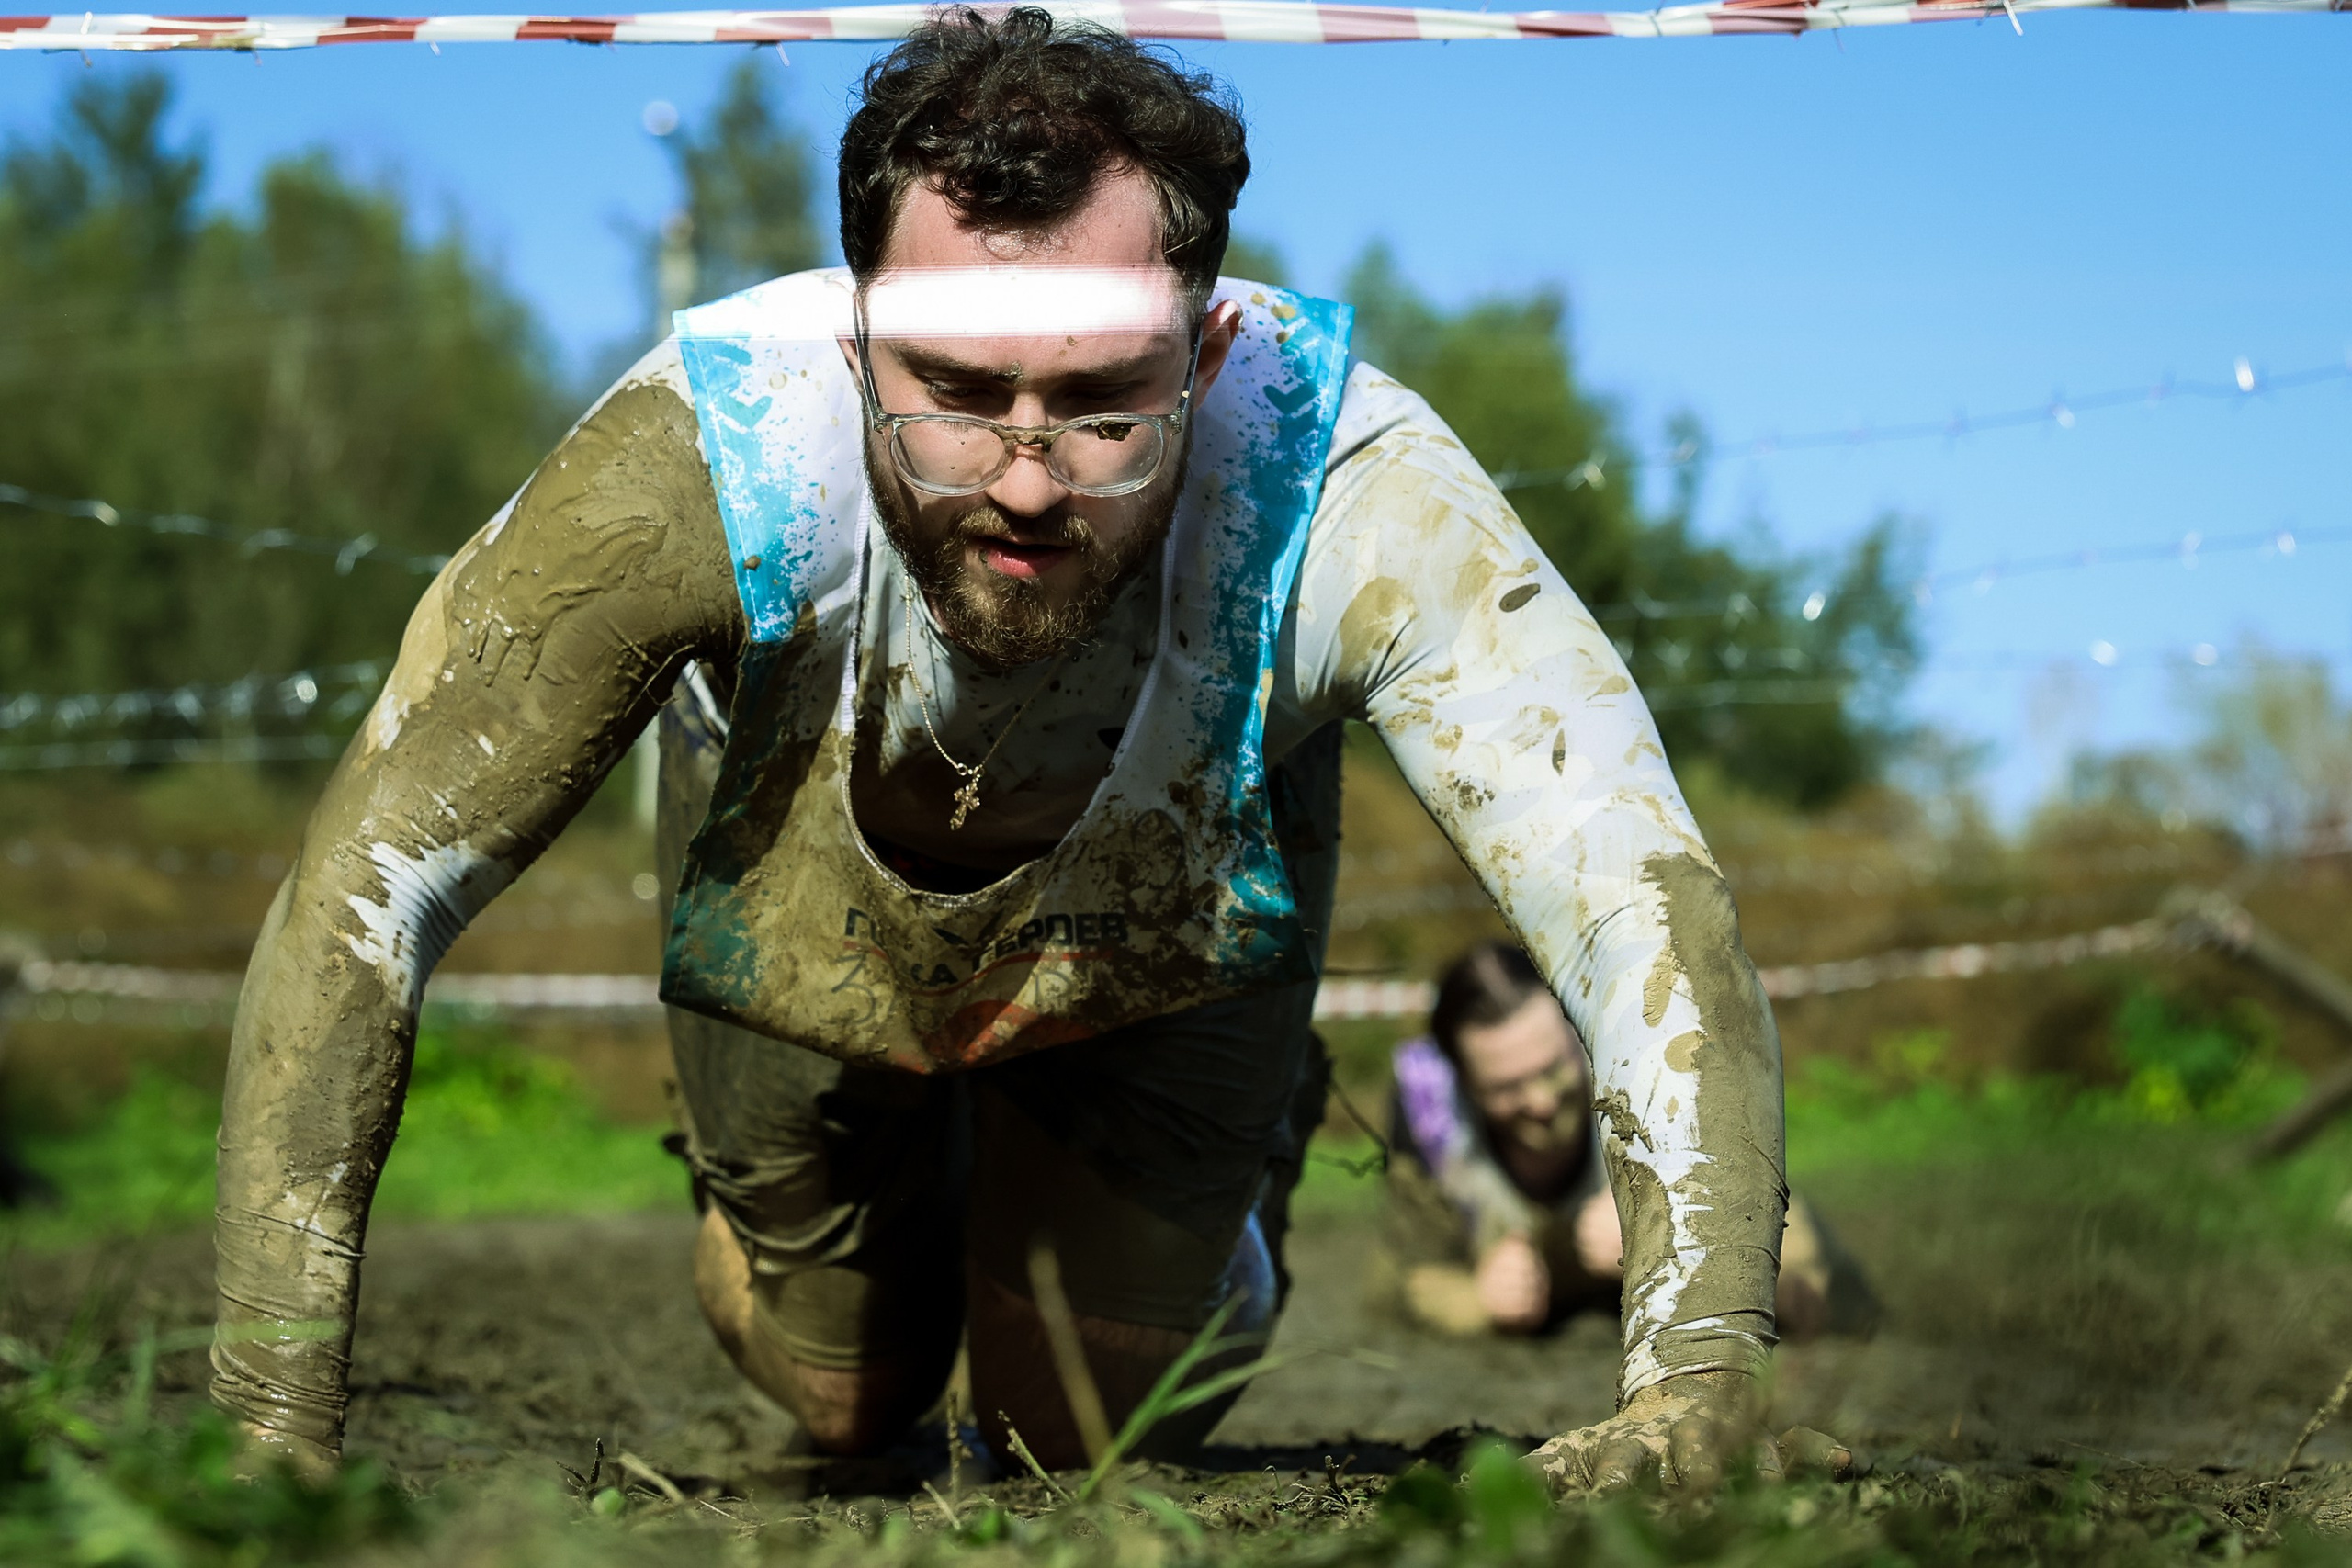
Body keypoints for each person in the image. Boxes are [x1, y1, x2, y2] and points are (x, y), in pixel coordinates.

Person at [209, 7, 1843, 1493]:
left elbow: (1637, 899)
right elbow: (361, 891)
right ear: (855, 342)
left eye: (1105, 405)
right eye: (955, 392)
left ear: (1206, 359)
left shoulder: (1347, 480)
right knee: (842, 1397)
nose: (1027, 479)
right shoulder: (701, 461)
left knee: (1073, 1430)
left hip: (1170, 912)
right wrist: (266, 1427)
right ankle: (827, 1192)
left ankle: (1215, 1178)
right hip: (807, 902)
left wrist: (1699, 1379)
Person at [1384, 942, 1876, 1343]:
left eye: (1553, 1070)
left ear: (1575, 1034)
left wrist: (1668, 1243)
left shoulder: (1648, 1077)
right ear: (1464, 1083)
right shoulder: (1430, 1125)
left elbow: (1804, 1282)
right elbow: (1406, 1275)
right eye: (1506, 1088)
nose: (1539, 1102)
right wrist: (1478, 1301)